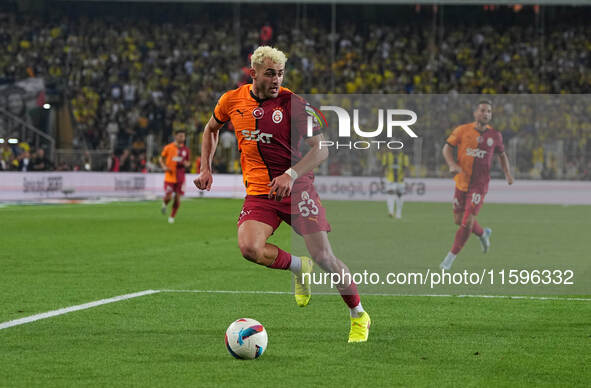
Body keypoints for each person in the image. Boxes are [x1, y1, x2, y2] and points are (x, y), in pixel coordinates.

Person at [194, 46, 370, 342]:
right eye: (270, 73)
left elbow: (321, 148)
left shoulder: (295, 104)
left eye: (280, 74)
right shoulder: (231, 100)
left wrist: (291, 174)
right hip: (260, 193)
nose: (276, 80)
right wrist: (205, 168)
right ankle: (299, 266)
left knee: (325, 257)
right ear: (253, 74)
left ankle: (358, 315)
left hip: (297, 190)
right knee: (249, 248)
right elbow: (211, 128)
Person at [440, 100, 514, 270]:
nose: (486, 113)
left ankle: (449, 258)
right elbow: (446, 148)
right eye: (482, 110)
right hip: (461, 182)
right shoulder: (462, 130)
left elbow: (502, 155)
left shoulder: (495, 135)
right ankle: (483, 233)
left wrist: (508, 173)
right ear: (475, 113)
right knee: (458, 220)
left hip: (479, 186)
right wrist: (451, 164)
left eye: (489, 111)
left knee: (466, 222)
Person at [160, 129, 191, 224]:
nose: (182, 138)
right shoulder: (168, 147)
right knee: (168, 196)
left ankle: (172, 216)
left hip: (180, 177)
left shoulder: (186, 150)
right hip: (169, 176)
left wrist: (186, 164)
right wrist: (164, 167)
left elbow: (188, 162)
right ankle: (164, 204)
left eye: (183, 136)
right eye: (180, 136)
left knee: (177, 198)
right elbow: (161, 158)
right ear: (176, 136)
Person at [381, 150, 410, 219]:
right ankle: (391, 212)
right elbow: (383, 167)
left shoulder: (404, 157)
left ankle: (398, 213)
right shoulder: (387, 156)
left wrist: (404, 176)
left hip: (400, 179)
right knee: (390, 193)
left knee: (399, 195)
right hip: (390, 179)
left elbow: (406, 168)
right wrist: (381, 178)